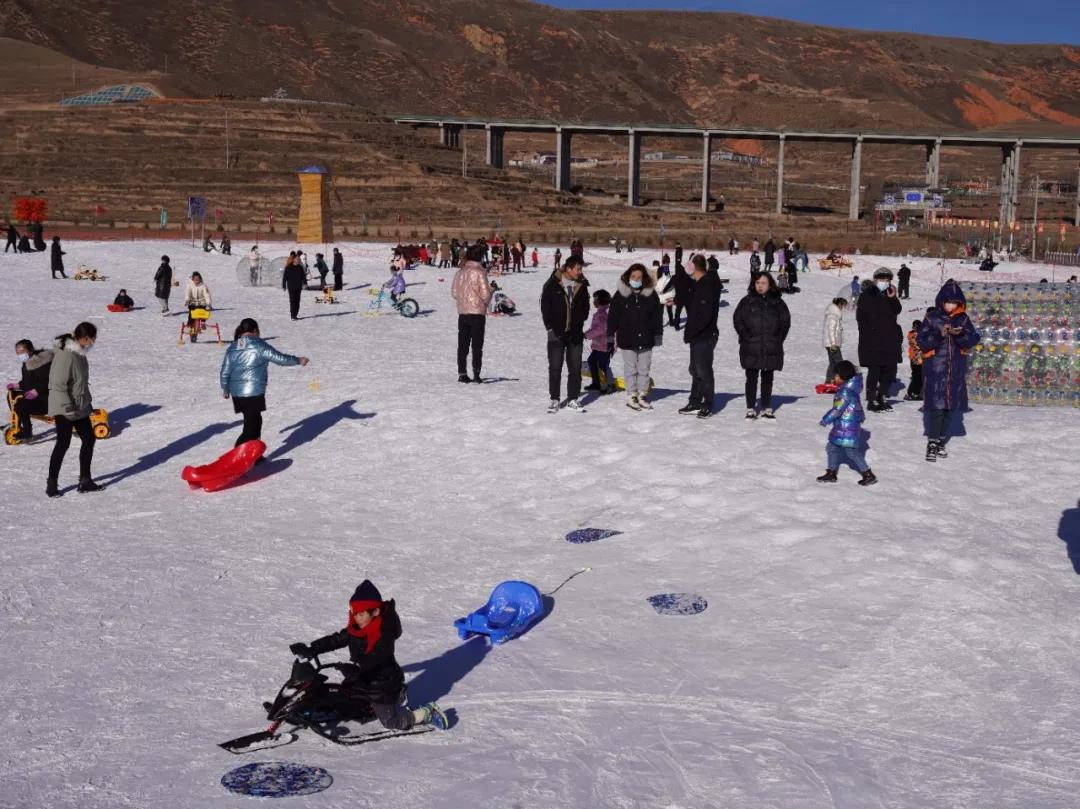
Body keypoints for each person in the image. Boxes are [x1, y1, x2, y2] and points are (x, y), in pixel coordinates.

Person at [287, 580, 447, 732]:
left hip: (383, 682)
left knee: (391, 722)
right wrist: (312, 648)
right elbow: (336, 639)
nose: (357, 618)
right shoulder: (357, 628)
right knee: (342, 696)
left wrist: (356, 669)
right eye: (355, 614)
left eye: (361, 614)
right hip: (362, 676)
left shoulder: (384, 632)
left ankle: (426, 713)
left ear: (375, 611)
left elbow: (379, 657)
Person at [220, 318, 308, 448]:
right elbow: (280, 359)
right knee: (251, 427)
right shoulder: (259, 344)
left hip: (237, 393)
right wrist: (298, 360)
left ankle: (254, 454)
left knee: (254, 421)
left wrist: (225, 389)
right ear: (255, 330)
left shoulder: (233, 347)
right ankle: (237, 454)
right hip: (253, 392)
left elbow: (224, 371)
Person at [916, 280, 980, 461]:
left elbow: (973, 339)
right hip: (936, 369)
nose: (950, 306)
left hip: (956, 370)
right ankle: (932, 442)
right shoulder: (932, 318)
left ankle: (941, 441)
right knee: (937, 408)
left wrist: (960, 334)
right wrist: (939, 335)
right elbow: (922, 341)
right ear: (941, 302)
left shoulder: (963, 319)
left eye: (954, 302)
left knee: (950, 409)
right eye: (948, 302)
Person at [46, 322, 102, 497]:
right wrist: (67, 408)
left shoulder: (80, 354)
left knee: (89, 438)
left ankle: (85, 480)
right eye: (93, 338)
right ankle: (51, 483)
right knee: (63, 444)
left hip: (79, 406)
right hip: (65, 407)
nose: (94, 342)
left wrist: (88, 404)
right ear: (85, 338)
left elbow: (80, 383)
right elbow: (57, 384)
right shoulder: (66, 356)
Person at [733, 271, 790, 420]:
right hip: (751, 346)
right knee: (751, 376)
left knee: (767, 377)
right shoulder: (747, 301)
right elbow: (738, 320)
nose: (760, 286)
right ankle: (751, 407)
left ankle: (766, 406)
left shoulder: (778, 302)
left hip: (771, 346)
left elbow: (785, 322)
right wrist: (746, 337)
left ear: (770, 284)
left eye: (763, 283)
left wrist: (778, 339)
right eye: (757, 283)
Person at [608, 263, 663, 411]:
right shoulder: (620, 295)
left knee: (644, 368)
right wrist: (609, 336)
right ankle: (631, 394)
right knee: (631, 368)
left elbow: (657, 316)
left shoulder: (651, 295)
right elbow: (612, 317)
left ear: (644, 278)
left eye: (639, 277)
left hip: (646, 337)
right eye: (633, 277)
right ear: (628, 277)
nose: (636, 279)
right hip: (627, 338)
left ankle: (642, 394)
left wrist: (658, 334)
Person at [540, 255, 589, 413]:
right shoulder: (552, 283)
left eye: (581, 269)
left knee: (575, 368)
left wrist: (579, 323)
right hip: (556, 332)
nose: (580, 272)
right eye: (578, 269)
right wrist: (549, 327)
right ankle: (555, 399)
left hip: (575, 333)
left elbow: (585, 308)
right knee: (555, 367)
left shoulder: (582, 285)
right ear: (568, 269)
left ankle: (573, 398)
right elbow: (545, 306)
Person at [817, 360, 876, 486]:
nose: (834, 378)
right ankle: (831, 472)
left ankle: (868, 474)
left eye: (836, 376)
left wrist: (825, 420)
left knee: (851, 452)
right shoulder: (851, 389)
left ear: (843, 376)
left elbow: (837, 409)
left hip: (846, 427)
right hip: (845, 425)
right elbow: (857, 407)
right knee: (832, 447)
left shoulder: (844, 392)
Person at [680, 254, 722, 418]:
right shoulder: (700, 284)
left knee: (703, 370)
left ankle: (707, 403)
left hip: (704, 334)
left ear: (693, 268)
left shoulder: (706, 285)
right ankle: (695, 401)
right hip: (699, 335)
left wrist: (691, 332)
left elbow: (704, 315)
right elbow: (694, 305)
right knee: (695, 369)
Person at [856, 268, 903, 412]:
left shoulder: (890, 294)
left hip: (889, 341)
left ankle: (881, 396)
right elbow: (861, 319)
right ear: (875, 279)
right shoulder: (866, 295)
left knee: (889, 370)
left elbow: (897, 310)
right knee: (874, 370)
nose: (884, 282)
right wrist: (867, 334)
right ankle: (871, 400)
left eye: (887, 280)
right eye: (881, 279)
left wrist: (893, 298)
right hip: (873, 340)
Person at [451, 243, 492, 383]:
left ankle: (462, 373)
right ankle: (476, 373)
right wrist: (490, 291)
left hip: (463, 313)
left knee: (462, 345)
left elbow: (454, 293)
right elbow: (485, 294)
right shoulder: (480, 272)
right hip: (477, 313)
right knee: (477, 345)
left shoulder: (460, 272)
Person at [8, 339, 53, 442]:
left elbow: (50, 382)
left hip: (46, 399)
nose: (20, 355)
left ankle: (27, 431)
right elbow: (27, 382)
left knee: (20, 404)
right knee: (12, 395)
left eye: (22, 352)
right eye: (18, 352)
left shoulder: (42, 363)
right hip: (33, 396)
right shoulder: (27, 363)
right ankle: (17, 425)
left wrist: (37, 391)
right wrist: (16, 385)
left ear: (30, 350)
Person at [583, 289, 615, 394]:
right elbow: (596, 328)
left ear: (601, 300)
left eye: (595, 299)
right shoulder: (600, 312)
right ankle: (596, 383)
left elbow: (600, 329)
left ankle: (610, 384)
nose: (593, 302)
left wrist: (587, 335)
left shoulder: (603, 314)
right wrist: (586, 333)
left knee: (603, 364)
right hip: (598, 345)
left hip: (605, 345)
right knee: (592, 361)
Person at [823, 293, 848, 383]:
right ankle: (839, 380)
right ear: (839, 304)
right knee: (839, 362)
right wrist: (833, 344)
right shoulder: (833, 316)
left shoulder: (834, 315)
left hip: (831, 344)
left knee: (833, 363)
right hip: (832, 344)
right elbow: (831, 330)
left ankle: (829, 380)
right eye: (843, 306)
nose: (843, 308)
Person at [184, 272, 213, 342]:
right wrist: (187, 300)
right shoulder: (190, 285)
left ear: (200, 279)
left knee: (203, 312)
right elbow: (187, 293)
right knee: (191, 315)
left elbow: (207, 295)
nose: (197, 281)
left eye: (198, 279)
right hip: (192, 303)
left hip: (201, 303)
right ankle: (189, 325)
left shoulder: (203, 286)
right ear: (193, 279)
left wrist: (208, 303)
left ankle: (203, 322)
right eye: (195, 279)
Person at [904, 320, 924, 401]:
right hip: (917, 359)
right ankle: (912, 393)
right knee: (917, 376)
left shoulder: (912, 334)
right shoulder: (915, 335)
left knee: (917, 376)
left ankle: (915, 393)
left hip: (915, 359)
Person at [282, 253, 306, 320]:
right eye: (297, 259)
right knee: (292, 301)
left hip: (298, 287)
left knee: (297, 301)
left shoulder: (300, 267)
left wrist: (305, 283)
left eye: (299, 259)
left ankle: (295, 314)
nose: (299, 260)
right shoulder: (288, 267)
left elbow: (303, 276)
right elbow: (284, 278)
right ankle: (293, 315)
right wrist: (284, 285)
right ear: (293, 260)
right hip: (291, 287)